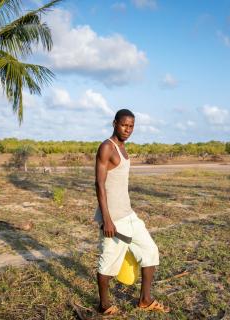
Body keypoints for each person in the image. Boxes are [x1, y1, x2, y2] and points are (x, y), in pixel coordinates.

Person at [94, 109, 170, 315]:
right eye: (124, 125)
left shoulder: (123, 149)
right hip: (113, 218)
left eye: (131, 126)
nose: (128, 130)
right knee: (108, 263)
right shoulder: (106, 148)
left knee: (150, 251)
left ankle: (145, 299)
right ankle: (104, 306)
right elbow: (99, 184)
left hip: (128, 214)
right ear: (114, 123)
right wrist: (107, 220)